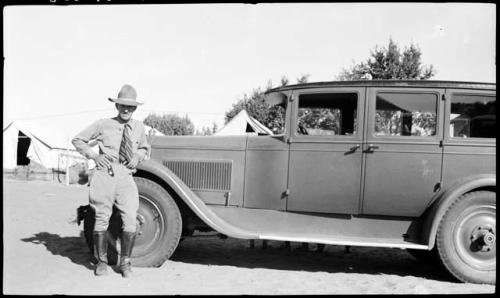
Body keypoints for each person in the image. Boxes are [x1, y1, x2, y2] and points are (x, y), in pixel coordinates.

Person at [72, 84, 150, 277]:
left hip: (126, 175)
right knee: (101, 218)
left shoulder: (139, 127)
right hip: (105, 173)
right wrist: (93, 155)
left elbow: (145, 149)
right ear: (117, 106)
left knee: (131, 219)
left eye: (130, 107)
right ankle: (101, 263)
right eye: (123, 105)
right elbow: (78, 140)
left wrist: (137, 156)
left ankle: (125, 263)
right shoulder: (103, 124)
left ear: (135, 109)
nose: (126, 109)